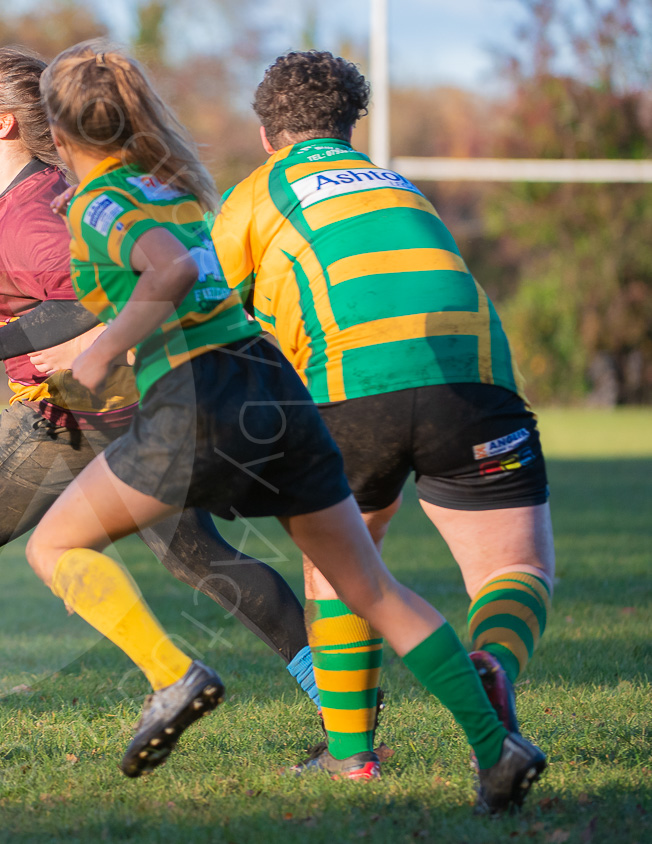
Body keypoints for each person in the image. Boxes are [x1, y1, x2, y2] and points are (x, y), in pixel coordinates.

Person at [24, 38, 545, 813]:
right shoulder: (177, 192)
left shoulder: (104, 202)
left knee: (53, 545)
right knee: (369, 585)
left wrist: (95, 358)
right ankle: (496, 748)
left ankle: (173, 677)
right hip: (286, 389)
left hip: (211, 398)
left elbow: (170, 274)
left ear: (59, 133)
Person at [0, 46, 319, 761]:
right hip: (129, 403)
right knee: (197, 556)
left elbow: (82, 297)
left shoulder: (36, 215)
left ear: (5, 123)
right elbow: (16, 286)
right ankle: (340, 695)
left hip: (73, 409)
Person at [195, 50, 557, 780]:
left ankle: (351, 755)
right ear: (350, 127)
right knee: (515, 567)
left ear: (266, 134)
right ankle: (492, 663)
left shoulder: (255, 194)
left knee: (340, 570)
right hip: (476, 381)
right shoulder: (400, 187)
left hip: (350, 387)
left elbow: (203, 305)